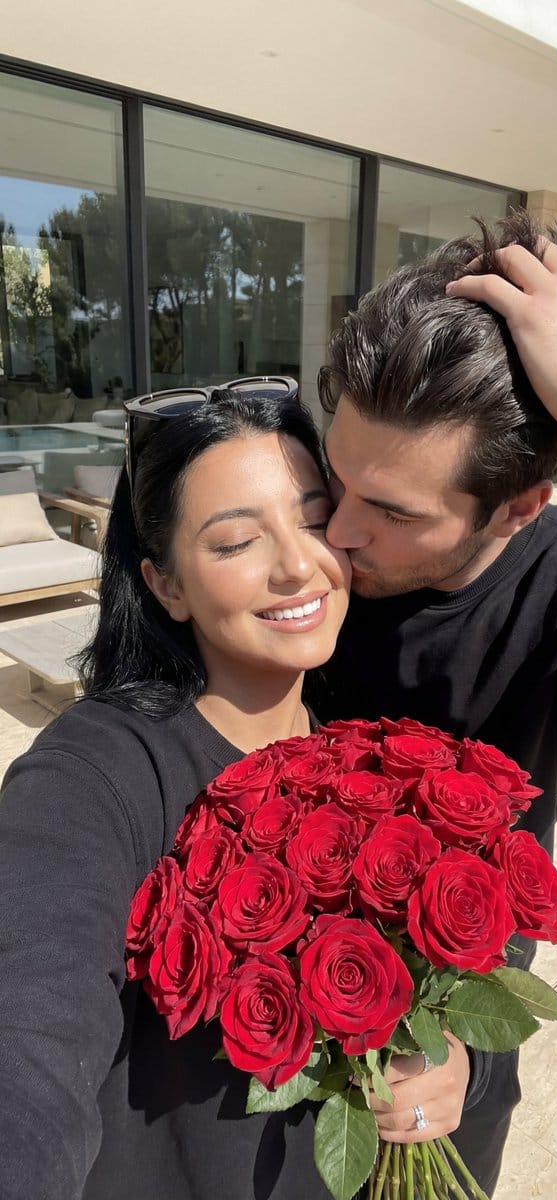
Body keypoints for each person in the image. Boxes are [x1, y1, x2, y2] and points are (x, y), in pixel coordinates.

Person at [318, 211, 557, 1194]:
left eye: (390, 512)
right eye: (335, 476)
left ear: (518, 508)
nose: (334, 534)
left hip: (441, 1079)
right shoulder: (293, 524)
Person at [0, 380, 352, 1200]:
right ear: (165, 585)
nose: (299, 564)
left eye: (311, 517)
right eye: (235, 543)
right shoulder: (97, 773)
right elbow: (32, 1027)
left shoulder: (366, 741)